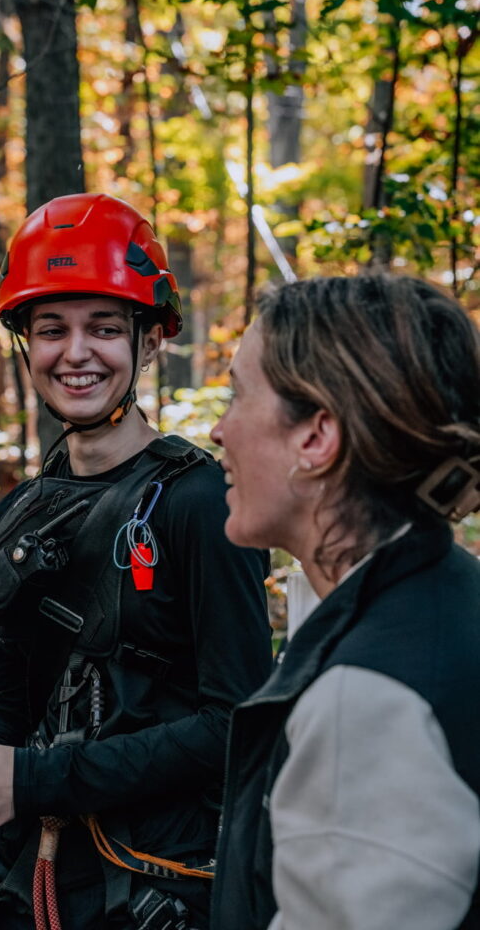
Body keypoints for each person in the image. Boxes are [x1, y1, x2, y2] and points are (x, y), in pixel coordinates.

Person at [0, 192, 272, 929]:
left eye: (104, 329)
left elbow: (235, 723)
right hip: (28, 873)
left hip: (161, 883)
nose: (75, 353)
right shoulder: (16, 515)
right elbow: (7, 703)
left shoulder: (201, 502)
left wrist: (39, 777)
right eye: (51, 329)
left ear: (149, 343)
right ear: (26, 343)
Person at [209, 273, 480, 930]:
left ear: (316, 438)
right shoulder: (451, 592)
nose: (218, 431)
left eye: (237, 396)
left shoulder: (366, 703)